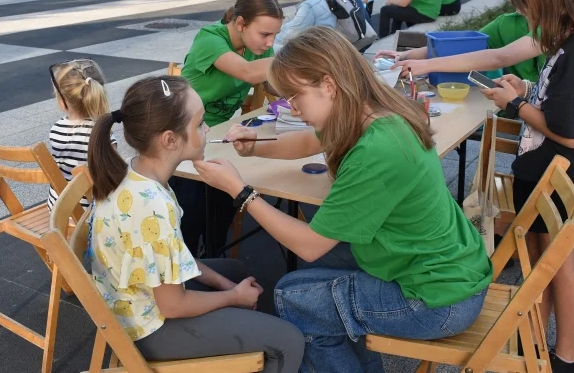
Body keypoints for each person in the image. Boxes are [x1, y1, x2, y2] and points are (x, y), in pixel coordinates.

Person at [193, 26, 493, 373]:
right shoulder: (371, 112)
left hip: (438, 301)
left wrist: (241, 192)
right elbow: (310, 142)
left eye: (294, 96)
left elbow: (309, 245)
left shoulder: (377, 150)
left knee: (293, 296)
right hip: (450, 269)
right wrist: (256, 145)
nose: (290, 107)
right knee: (313, 276)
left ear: (328, 85)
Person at [399, 0, 574, 372]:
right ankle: (536, 335)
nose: (527, 16)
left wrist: (515, 104)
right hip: (551, 171)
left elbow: (568, 134)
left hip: (564, 171)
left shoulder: (573, 53)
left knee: (560, 266)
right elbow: (552, 99)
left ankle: (568, 358)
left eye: (528, 6)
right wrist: (527, 92)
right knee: (542, 266)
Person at [86, 76, 304, 371]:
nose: (208, 129)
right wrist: (232, 297)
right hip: (149, 329)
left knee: (237, 271)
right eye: (200, 123)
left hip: (134, 304)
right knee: (289, 342)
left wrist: (227, 287)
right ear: (170, 139)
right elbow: (173, 306)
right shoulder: (152, 205)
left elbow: (171, 257)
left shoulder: (136, 174)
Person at [171, 0, 282, 256]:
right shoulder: (210, 39)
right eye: (265, 34)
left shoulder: (259, 49)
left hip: (217, 135)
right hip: (181, 133)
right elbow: (245, 71)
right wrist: (300, 60)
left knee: (226, 195)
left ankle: (212, 256)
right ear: (241, 23)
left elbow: (272, 82)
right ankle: (185, 262)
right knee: (196, 206)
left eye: (275, 35)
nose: (269, 43)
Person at [375, 10, 546, 83]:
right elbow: (466, 46)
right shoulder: (510, 21)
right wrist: (404, 56)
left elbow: (499, 58)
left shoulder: (560, 28)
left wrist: (427, 65)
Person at [46, 59, 114, 210]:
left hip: (58, 210)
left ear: (63, 102)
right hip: (89, 214)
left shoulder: (56, 130)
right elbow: (112, 177)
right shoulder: (102, 134)